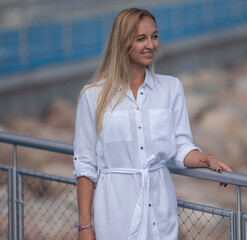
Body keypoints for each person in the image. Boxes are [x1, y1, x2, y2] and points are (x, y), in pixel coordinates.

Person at [73, 7, 233, 240]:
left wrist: (207, 159)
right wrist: (85, 226)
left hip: (160, 209)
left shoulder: (170, 88)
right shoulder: (92, 96)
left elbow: (180, 146)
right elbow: (85, 165)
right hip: (116, 213)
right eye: (141, 39)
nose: (151, 44)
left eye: (154, 36)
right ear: (123, 42)